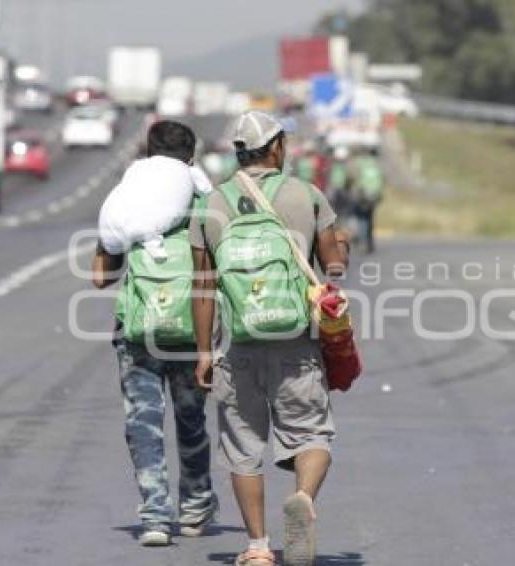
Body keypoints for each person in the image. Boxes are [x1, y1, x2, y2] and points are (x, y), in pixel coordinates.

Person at [189, 111, 349, 566]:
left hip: (238, 344)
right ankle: (302, 496)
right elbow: (333, 264)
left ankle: (257, 547)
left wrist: (203, 352)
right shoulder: (306, 195)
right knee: (312, 434)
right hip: (297, 340)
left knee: (243, 448)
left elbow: (202, 285)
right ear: (276, 147)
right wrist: (338, 253)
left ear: (240, 152)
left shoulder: (211, 204)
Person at [92, 120, 218, 547]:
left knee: (143, 422)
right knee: (191, 419)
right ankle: (196, 506)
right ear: (191, 157)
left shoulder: (132, 197)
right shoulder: (203, 197)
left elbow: (99, 276)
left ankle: (155, 517)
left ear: (148, 153)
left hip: (138, 330)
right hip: (191, 328)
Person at [99, 120, 212, 259]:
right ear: (190, 161)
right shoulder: (201, 197)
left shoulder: (135, 181)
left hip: (142, 275)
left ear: (150, 155)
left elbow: (102, 278)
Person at [349, 147, 384, 254]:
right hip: (374, 195)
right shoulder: (378, 165)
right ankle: (369, 241)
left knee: (362, 218)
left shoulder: (361, 163)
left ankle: (363, 241)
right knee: (370, 218)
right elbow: (382, 181)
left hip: (363, 194)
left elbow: (354, 177)